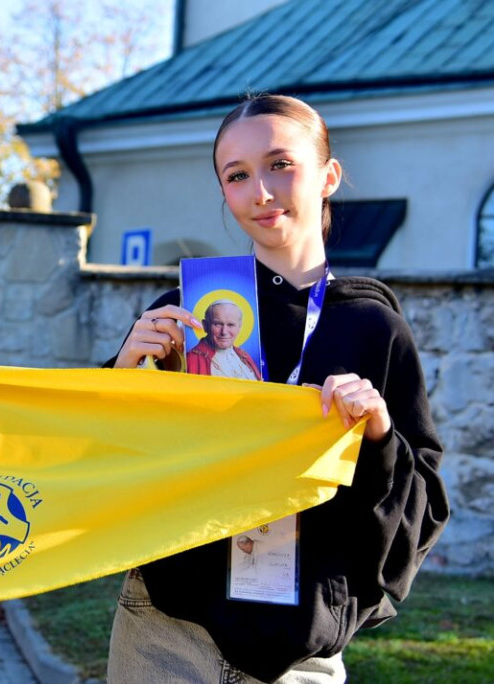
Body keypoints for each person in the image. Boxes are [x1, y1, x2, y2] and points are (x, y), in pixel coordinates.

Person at [107, 94, 449, 683]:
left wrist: (379, 435)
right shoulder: (182, 317)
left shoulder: (373, 328)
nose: (260, 192)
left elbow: (422, 509)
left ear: (329, 176)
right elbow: (103, 465)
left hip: (300, 655)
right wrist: (121, 376)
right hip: (166, 630)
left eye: (280, 165)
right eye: (236, 176)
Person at [186, 299, 262, 380]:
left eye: (231, 325)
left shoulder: (244, 356)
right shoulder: (192, 358)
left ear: (239, 327)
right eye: (217, 324)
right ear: (205, 325)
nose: (224, 332)